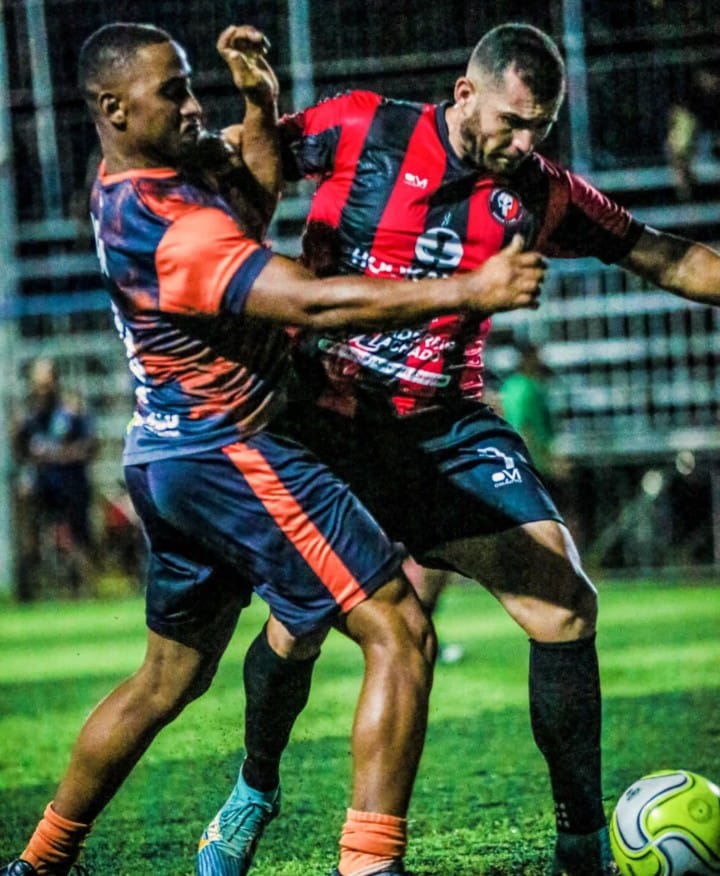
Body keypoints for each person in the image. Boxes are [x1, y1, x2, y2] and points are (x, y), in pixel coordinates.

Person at [0, 21, 547, 876]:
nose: (192, 103)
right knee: (400, 630)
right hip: (233, 452)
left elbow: (252, 200)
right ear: (111, 107)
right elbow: (313, 304)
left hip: (167, 455)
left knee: (165, 681)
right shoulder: (169, 229)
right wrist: (468, 288)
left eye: (191, 83)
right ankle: (369, 866)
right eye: (172, 90)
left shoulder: (138, 184)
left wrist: (260, 103)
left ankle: (36, 863)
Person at [200, 22, 720, 876]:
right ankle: (256, 785)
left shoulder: (541, 192)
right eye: (513, 121)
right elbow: (255, 163)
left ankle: (582, 841)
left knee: (565, 605)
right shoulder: (364, 126)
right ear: (464, 92)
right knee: (298, 626)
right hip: (324, 423)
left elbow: (660, 257)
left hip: (442, 425)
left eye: (541, 127)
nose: (524, 144)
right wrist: (243, 120)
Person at [12, 357, 98, 600]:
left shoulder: (72, 410)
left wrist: (61, 455)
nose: (43, 389)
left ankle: (84, 589)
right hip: (42, 482)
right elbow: (19, 450)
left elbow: (91, 445)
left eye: (47, 383)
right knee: (29, 522)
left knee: (79, 535)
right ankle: (28, 589)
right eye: (38, 384)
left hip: (71, 481)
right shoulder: (27, 414)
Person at [666, 59, 720, 202]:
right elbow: (677, 134)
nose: (712, 82)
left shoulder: (713, 97)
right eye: (709, 78)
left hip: (706, 142)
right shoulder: (689, 97)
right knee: (679, 139)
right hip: (695, 143)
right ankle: (685, 188)